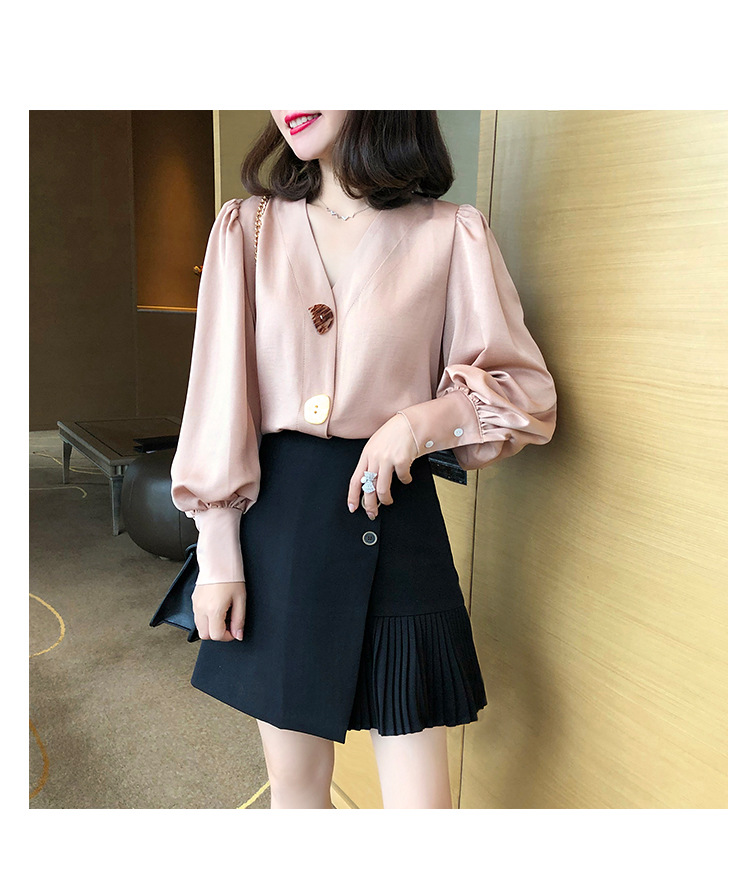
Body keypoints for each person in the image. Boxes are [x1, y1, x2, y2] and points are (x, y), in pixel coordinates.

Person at [170, 110, 557, 809]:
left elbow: (523, 393)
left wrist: (418, 424)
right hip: (280, 527)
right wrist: (218, 551)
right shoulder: (248, 228)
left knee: (421, 809)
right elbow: (218, 398)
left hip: (398, 524)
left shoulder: (450, 233)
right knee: (297, 793)